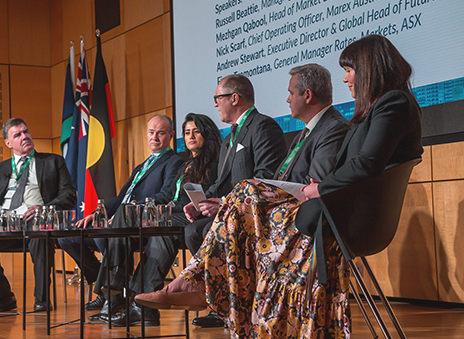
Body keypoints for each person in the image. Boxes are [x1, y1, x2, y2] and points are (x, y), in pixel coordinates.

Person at [135, 34, 423, 339]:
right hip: (333, 207)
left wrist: (319, 188)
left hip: (351, 216)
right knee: (244, 199)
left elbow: (367, 164)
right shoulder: (373, 110)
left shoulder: (394, 102)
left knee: (246, 195)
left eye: (349, 69)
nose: (345, 77)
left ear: (369, 68)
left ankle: (207, 287)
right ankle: (206, 287)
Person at [182, 74, 288, 327]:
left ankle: (237, 303)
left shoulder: (263, 126)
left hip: (256, 212)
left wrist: (226, 203)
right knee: (193, 230)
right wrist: (201, 200)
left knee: (208, 230)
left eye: (218, 99)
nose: (216, 104)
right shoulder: (229, 138)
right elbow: (221, 182)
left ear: (234, 98)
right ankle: (220, 302)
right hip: (231, 210)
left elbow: (265, 178)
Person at [102, 113, 221, 327]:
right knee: (140, 220)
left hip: (192, 215)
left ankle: (130, 296)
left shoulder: (215, 162)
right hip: (173, 213)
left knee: (158, 227)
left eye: (196, 131)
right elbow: (167, 196)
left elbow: (206, 196)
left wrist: (162, 210)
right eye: (187, 133)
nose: (191, 136)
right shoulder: (186, 165)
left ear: (207, 134)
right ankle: (137, 303)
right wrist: (151, 207)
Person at [58, 114, 183, 314]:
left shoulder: (174, 162)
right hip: (117, 218)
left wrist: (132, 210)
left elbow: (165, 196)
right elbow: (120, 198)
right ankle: (106, 289)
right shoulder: (143, 165)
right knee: (69, 238)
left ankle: (111, 295)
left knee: (106, 238)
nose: (155, 137)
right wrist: (98, 213)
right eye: (151, 132)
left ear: (171, 135)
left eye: (160, 133)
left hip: (139, 221)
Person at [0, 118, 76, 313]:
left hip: (37, 220)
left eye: (26, 132)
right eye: (17, 135)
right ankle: (3, 297)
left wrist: (45, 208)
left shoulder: (53, 161)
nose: (24, 136)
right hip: (5, 223)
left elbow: (68, 196)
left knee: (39, 226)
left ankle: (42, 299)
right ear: (8, 143)